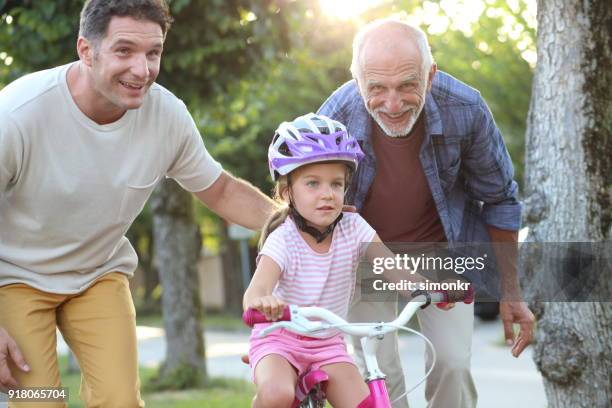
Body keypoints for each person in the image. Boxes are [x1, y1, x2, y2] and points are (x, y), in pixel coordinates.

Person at [0, 1, 276, 406]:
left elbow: (220, 190)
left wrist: (294, 222)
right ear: (86, 50)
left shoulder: (166, 116)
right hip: (16, 276)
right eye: (124, 50)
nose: (142, 70)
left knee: (120, 401)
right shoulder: (19, 113)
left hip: (97, 273)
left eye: (153, 52)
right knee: (39, 400)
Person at [318, 18, 535, 408]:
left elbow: (501, 198)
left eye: (407, 85)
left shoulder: (465, 109)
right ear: (357, 80)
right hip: (367, 257)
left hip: (441, 251)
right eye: (377, 89)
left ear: (430, 75)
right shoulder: (335, 118)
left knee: (452, 365)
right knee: (376, 371)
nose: (393, 104)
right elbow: (304, 201)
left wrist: (511, 290)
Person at [243, 113, 449, 408]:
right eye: (312, 183)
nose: (327, 194)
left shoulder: (354, 228)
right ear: (288, 191)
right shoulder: (283, 239)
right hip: (279, 340)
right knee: (278, 395)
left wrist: (435, 290)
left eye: (336, 184)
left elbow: (396, 272)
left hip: (328, 345)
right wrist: (264, 303)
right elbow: (255, 292)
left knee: (364, 404)